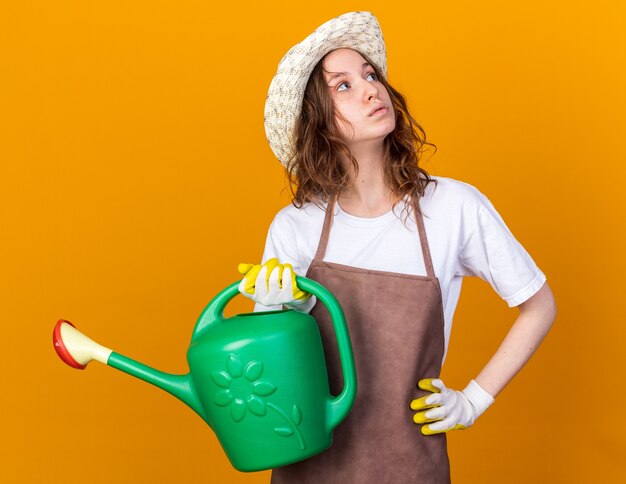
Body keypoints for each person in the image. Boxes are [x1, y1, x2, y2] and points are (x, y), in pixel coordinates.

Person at [237, 11, 556, 484]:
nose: (370, 89)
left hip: (409, 465)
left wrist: (473, 399)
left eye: (369, 75)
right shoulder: (296, 227)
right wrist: (284, 306)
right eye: (342, 85)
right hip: (310, 466)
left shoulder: (453, 208)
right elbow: (268, 381)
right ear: (317, 122)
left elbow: (539, 305)